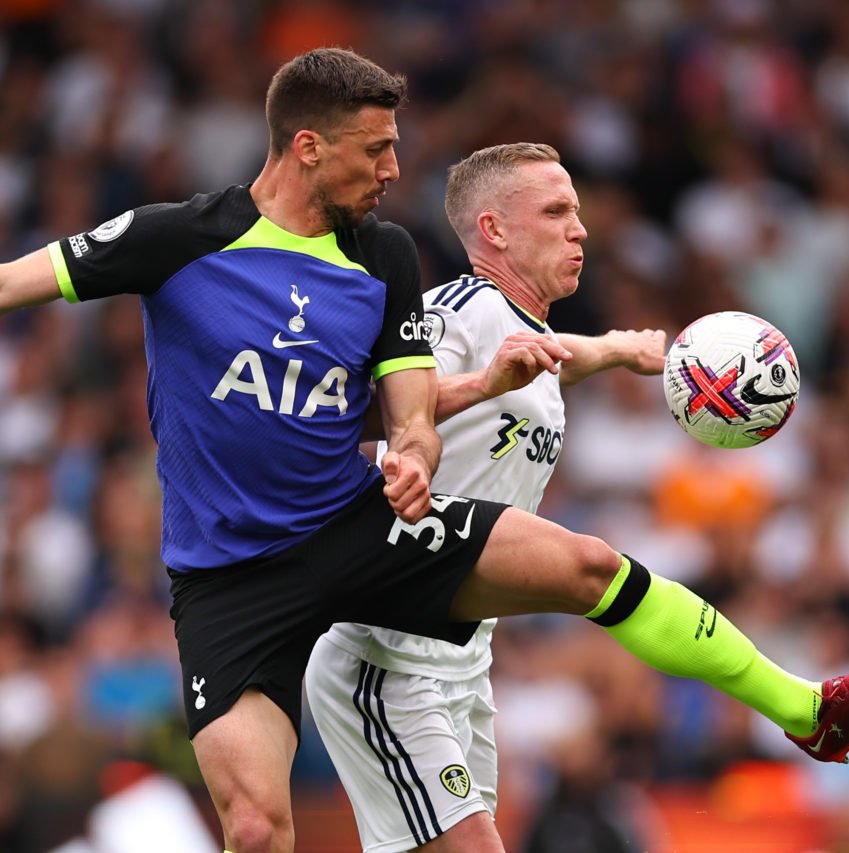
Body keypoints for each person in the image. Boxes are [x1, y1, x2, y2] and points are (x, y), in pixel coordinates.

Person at [0, 48, 849, 853]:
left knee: (579, 562)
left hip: (356, 530)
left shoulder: (384, 258)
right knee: (253, 829)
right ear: (306, 148)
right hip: (232, 577)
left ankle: (802, 706)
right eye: (376, 151)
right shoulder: (180, 238)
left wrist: (406, 451)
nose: (395, 170)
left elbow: (401, 393)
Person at [304, 142, 665, 853]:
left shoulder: (527, 337)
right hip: (388, 649)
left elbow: (555, 355)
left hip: (464, 659)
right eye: (558, 211)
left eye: (579, 212)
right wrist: (484, 386)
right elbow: (378, 404)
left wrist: (620, 348)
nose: (580, 229)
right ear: (495, 230)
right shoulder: (456, 310)